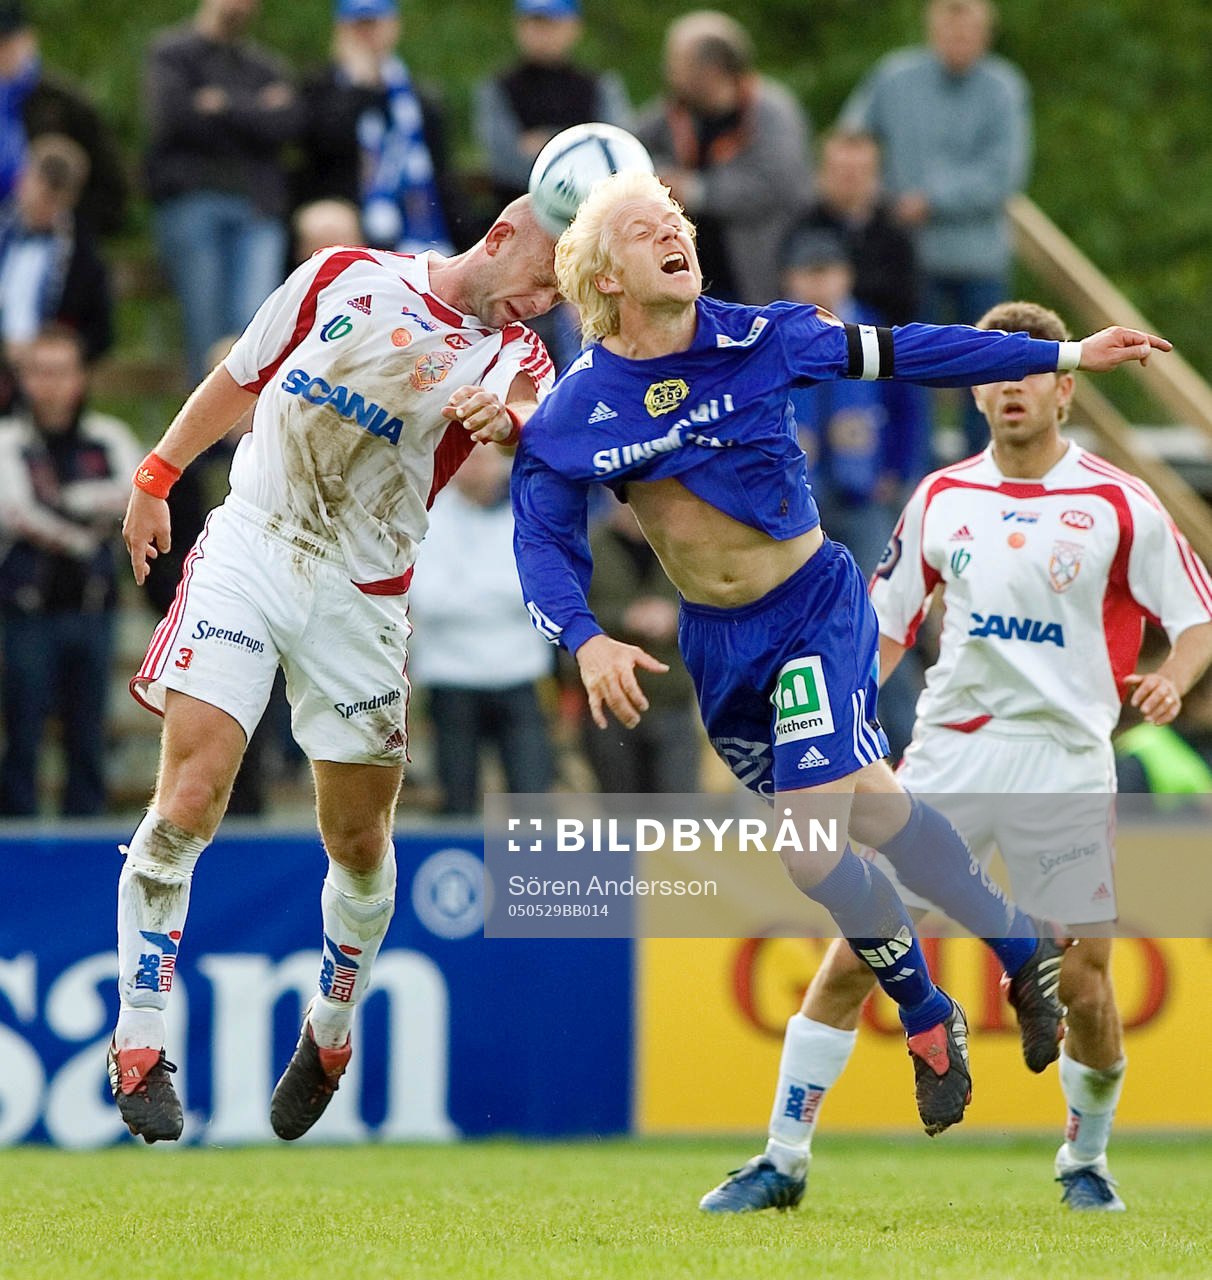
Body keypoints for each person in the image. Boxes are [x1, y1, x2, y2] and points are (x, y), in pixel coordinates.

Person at [510, 170, 1168, 1144]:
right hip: (719, 647)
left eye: (677, 221)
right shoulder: (577, 411)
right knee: (875, 807)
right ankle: (1010, 946)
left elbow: (915, 350)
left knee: (813, 845)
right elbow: (542, 541)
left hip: (815, 609)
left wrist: (1065, 348)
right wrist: (586, 636)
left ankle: (927, 1011)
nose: (675, 234)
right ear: (606, 276)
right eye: (648, 230)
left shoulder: (763, 335)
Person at [700, 300, 1212, 1214]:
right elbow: (881, 630)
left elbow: (1198, 619)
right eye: (996, 371)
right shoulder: (941, 498)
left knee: (1088, 978)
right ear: (978, 389)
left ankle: (1085, 1162)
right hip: (950, 754)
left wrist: (1175, 675)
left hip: (1064, 758)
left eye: (1030, 372)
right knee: (857, 950)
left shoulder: (1119, 502)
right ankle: (782, 1157)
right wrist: (832, 725)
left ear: (1065, 387)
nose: (1012, 386)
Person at [109, 195, 559, 1145]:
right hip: (254, 546)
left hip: (364, 595)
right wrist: (157, 474)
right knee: (190, 796)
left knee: (357, 842)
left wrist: (508, 422)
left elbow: (541, 419)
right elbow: (240, 377)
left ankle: (332, 1025)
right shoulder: (343, 275)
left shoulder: (516, 356)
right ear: (504, 235)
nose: (544, 303)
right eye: (543, 281)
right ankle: (140, 1041)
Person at [839, 0, 1031, 454]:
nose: (958, 41)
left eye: (969, 31)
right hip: (909, 260)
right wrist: (883, 196)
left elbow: (1005, 173)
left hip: (979, 261)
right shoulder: (893, 78)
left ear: (986, 33)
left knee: (988, 374)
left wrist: (932, 200)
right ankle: (916, 476)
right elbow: (853, 139)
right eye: (950, 29)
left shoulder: (1004, 88)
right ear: (932, 28)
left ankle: (989, 469)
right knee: (913, 371)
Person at [0, 325, 141, 815]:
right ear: (22, 378)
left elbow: (135, 496)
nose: (51, 384)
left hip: (93, 609)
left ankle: (87, 843)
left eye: (61, 372)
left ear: (81, 378)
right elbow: (14, 510)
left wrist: (66, 503)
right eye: (40, 372)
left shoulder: (107, 438)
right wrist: (84, 532)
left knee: (88, 735)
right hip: (25, 613)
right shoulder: (9, 440)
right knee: (22, 733)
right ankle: (17, 843)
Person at [144, 0, 305, 383]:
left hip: (257, 209)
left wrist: (221, 105)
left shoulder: (265, 63)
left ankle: (247, 434)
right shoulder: (171, 54)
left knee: (256, 332)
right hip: (193, 203)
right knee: (206, 331)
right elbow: (174, 120)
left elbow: (289, 125)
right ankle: (210, 439)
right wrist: (254, 110)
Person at [407, 443, 556, 815]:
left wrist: (467, 585)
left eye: (484, 459)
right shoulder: (428, 519)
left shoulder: (529, 517)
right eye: (467, 458)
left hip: (520, 675)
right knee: (457, 803)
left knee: (532, 803)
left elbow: (539, 591)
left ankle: (530, 875)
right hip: (451, 678)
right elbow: (428, 598)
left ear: (501, 466)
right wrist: (503, 591)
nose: (475, 468)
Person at [635, 9, 812, 306]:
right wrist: (659, 175)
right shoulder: (672, 112)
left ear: (712, 68)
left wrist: (697, 190)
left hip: (757, 279)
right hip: (689, 283)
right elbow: (629, 145)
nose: (668, 72)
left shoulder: (770, 112)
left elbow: (777, 185)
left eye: (677, 62)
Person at [298, 0, 467, 256]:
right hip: (349, 213)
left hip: (413, 221)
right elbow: (323, 147)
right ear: (340, 30)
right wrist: (359, 88)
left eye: (374, 24)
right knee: (328, 223)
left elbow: (441, 175)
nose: (367, 35)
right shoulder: (318, 87)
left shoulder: (420, 99)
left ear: (393, 27)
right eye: (358, 26)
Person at [584, 494, 701, 793]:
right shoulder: (589, 547)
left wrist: (675, 618)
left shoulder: (686, 546)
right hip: (611, 700)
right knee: (621, 813)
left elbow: (718, 604)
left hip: (674, 695)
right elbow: (572, 614)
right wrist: (626, 618)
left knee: (678, 815)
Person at [474, 0, 632, 210]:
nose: (542, 32)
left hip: (591, 216)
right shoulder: (498, 87)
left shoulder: (599, 86)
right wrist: (582, 150)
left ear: (574, 27)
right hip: (518, 213)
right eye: (534, 23)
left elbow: (619, 154)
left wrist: (544, 144)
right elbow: (504, 161)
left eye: (551, 23)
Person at [0, 133, 112, 412]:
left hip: (49, 377)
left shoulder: (82, 259)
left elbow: (100, 332)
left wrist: (47, 352)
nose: (44, 209)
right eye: (41, 197)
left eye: (54, 202)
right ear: (23, 181)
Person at [0, 0, 129, 238]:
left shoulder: (63, 102)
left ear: (27, 40)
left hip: (49, 243)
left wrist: (60, 223)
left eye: (5, 43)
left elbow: (111, 188)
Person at [790, 128, 920, 328]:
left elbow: (908, 301)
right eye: (841, 171)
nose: (851, 180)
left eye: (860, 171)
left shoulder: (895, 233)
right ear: (821, 173)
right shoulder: (801, 228)